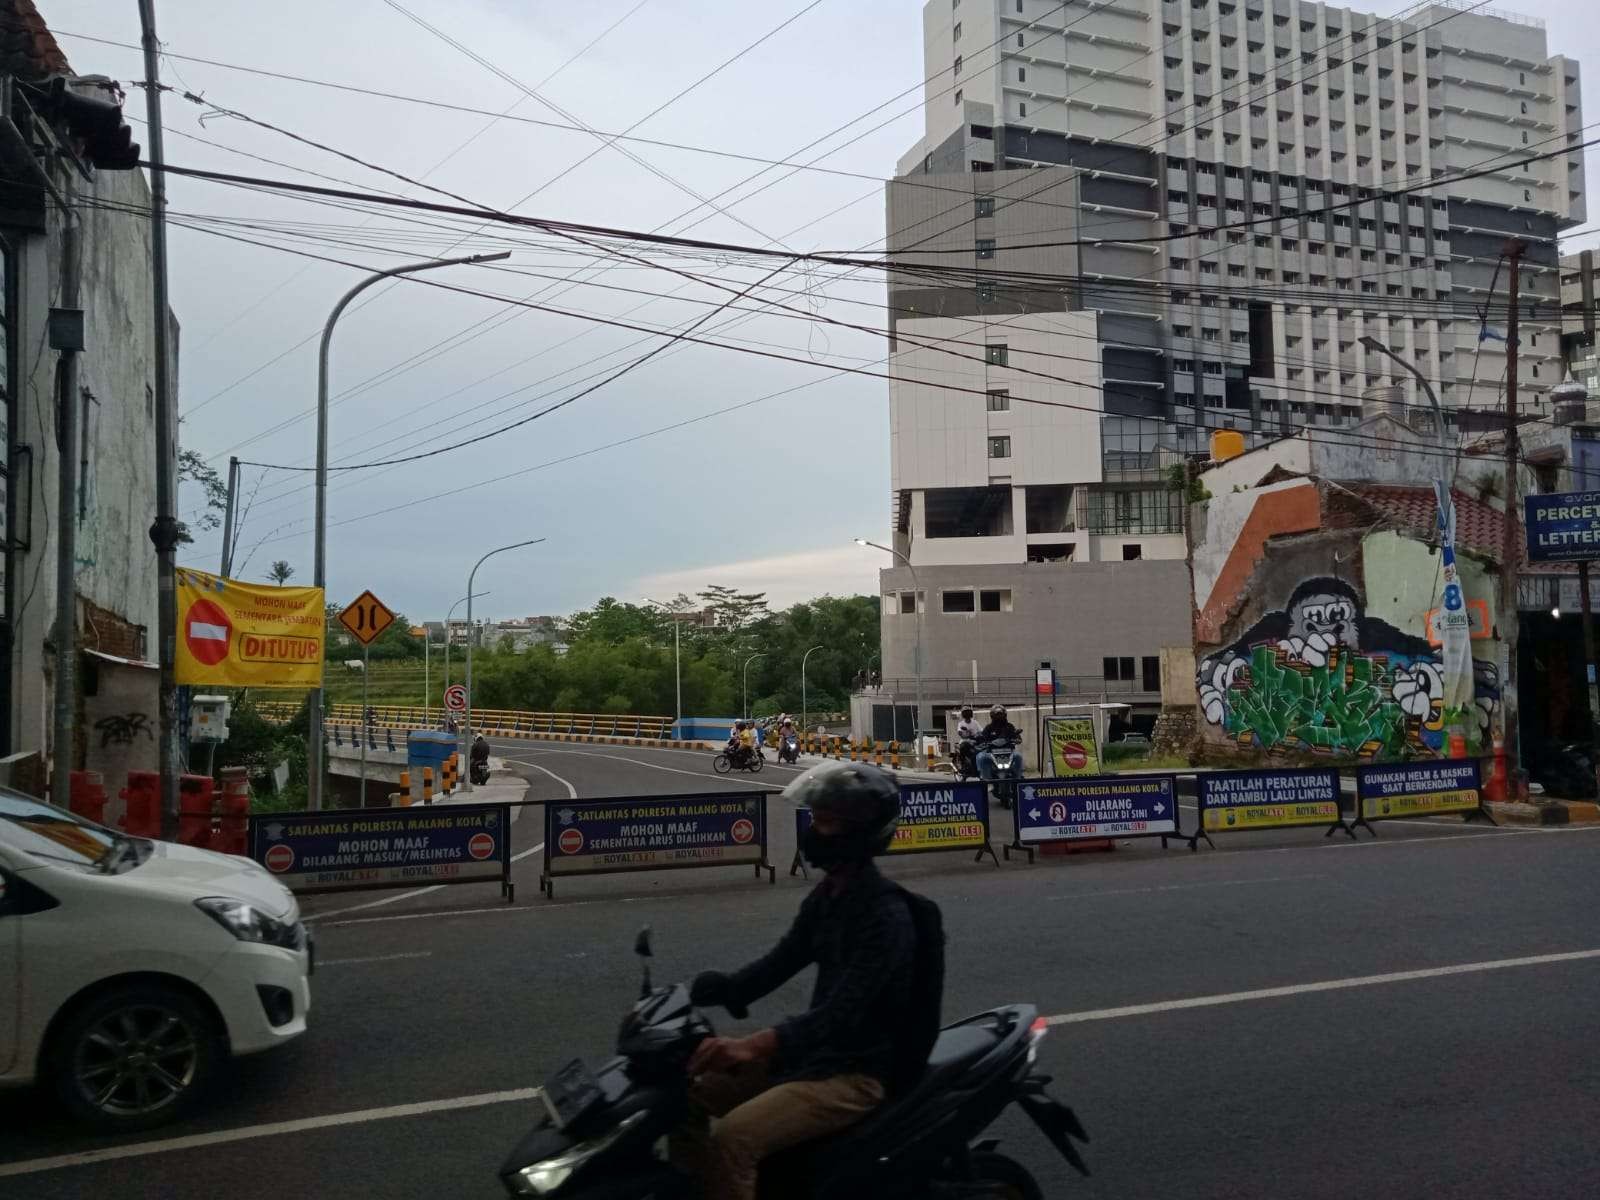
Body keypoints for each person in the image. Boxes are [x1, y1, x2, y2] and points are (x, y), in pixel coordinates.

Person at [681, 764, 925, 1200]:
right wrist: (724, 988)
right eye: (815, 818)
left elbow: (839, 1013)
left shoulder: (885, 917)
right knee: (684, 1098)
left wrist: (751, 1044)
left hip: (856, 1072)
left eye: (826, 821)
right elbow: (783, 960)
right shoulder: (828, 896)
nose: (814, 830)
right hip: (813, 1056)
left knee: (732, 1139)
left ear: (858, 834)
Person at [975, 704, 1024, 783]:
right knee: (981, 757)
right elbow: (982, 737)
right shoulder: (989, 727)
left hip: (1009, 752)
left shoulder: (1009, 726)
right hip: (991, 752)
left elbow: (1017, 736)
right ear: (992, 716)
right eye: (997, 715)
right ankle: (986, 779)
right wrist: (980, 740)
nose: (999, 717)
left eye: (1001, 714)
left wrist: (1017, 739)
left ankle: (1019, 778)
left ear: (1004, 715)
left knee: (1018, 756)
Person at [954, 706, 981, 776]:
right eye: (965, 712)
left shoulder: (975, 722)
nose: (967, 714)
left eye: (968, 712)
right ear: (963, 714)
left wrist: (980, 735)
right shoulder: (961, 723)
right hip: (965, 740)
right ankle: (963, 765)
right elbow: (960, 732)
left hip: (975, 740)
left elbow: (981, 730)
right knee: (963, 747)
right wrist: (964, 734)